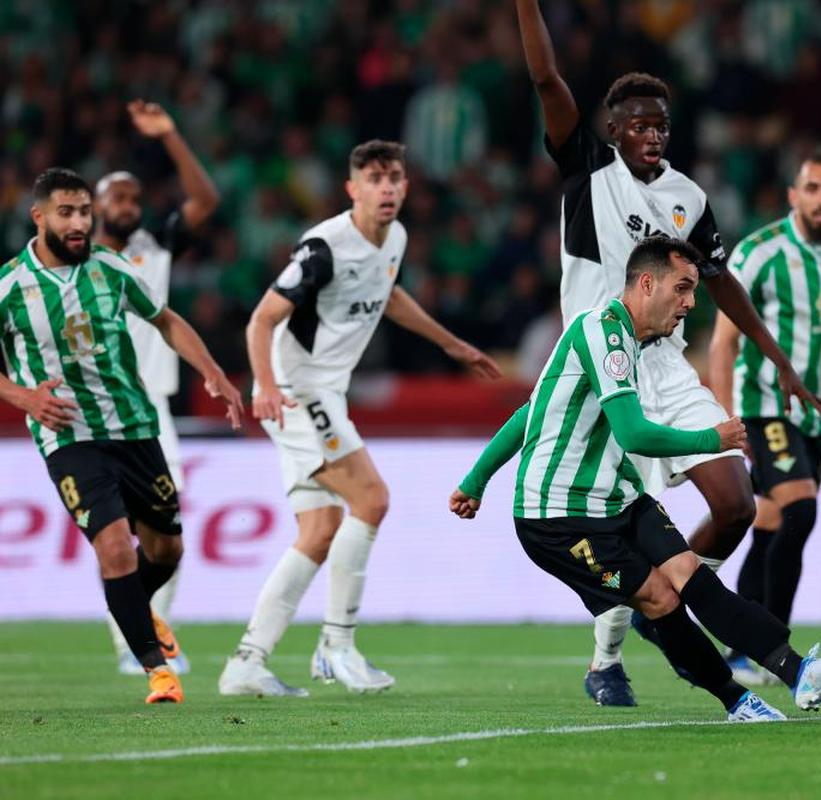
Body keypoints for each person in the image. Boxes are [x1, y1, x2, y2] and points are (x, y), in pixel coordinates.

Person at [515, 0, 821, 707]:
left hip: (667, 359)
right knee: (630, 523)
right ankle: (610, 655)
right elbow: (545, 79)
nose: (651, 133)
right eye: (637, 123)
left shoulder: (689, 198)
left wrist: (777, 358)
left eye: (660, 122)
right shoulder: (588, 169)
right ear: (612, 130)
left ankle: (676, 603)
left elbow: (720, 281)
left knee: (737, 503)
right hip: (604, 362)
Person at [449, 238, 821, 721]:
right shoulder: (604, 334)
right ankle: (736, 700)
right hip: (560, 516)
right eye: (683, 288)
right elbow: (632, 432)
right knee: (660, 596)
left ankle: (798, 672)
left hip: (617, 496)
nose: (691, 302)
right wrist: (713, 439)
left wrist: (475, 480)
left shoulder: (631, 341)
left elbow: (531, 412)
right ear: (647, 284)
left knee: (689, 572)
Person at [218, 140, 501, 697]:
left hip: (324, 392)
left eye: (395, 177)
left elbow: (388, 294)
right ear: (353, 189)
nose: (387, 187)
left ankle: (246, 662)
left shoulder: (394, 238)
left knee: (319, 531)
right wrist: (268, 387)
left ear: (406, 185)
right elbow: (261, 319)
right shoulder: (325, 247)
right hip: (298, 391)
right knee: (372, 499)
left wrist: (452, 345)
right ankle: (336, 646)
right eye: (374, 178)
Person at [0, 167, 242, 704]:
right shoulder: (11, 286)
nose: (80, 221)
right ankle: (157, 670)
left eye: (85, 211)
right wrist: (25, 398)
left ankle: (138, 611)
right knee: (115, 550)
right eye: (67, 212)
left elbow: (167, 321)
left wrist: (213, 373)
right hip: (68, 436)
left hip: (134, 427)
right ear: (39, 217)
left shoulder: (112, 268)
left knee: (168, 548)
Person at [709, 155, 821, 685]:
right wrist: (725, 419)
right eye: (813, 187)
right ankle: (774, 649)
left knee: (772, 525)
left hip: (817, 414)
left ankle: (740, 651)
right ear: (793, 195)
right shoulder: (760, 252)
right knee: (801, 511)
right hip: (764, 406)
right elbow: (722, 341)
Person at [94, 99, 221, 675]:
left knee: (166, 530)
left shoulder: (154, 246)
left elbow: (206, 202)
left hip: (151, 410)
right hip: (93, 410)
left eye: (134, 199)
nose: (129, 206)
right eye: (118, 197)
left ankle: (151, 631)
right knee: (115, 530)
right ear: (94, 207)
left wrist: (170, 134)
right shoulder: (76, 261)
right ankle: (132, 640)